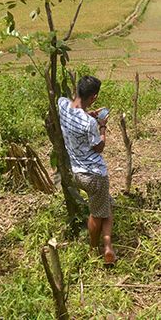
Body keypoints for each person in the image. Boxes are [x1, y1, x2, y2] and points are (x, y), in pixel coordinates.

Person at [57, 75, 115, 265]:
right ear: (94, 97)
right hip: (95, 175)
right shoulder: (89, 124)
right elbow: (99, 147)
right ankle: (94, 248)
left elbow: (76, 115)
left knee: (105, 206)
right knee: (98, 213)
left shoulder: (62, 104)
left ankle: (108, 248)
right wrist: (103, 126)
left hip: (77, 173)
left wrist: (88, 114)